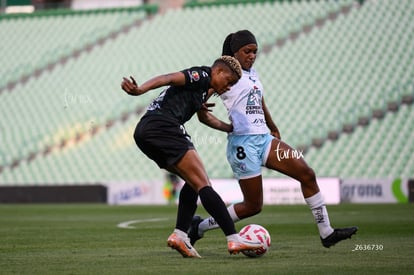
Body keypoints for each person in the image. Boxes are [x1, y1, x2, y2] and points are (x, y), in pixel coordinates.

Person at [189, 30, 358, 248]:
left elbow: (259, 100)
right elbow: (201, 110)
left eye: (255, 51)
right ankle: (199, 227)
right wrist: (224, 125)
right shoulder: (223, 75)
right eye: (247, 51)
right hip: (242, 144)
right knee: (253, 206)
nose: (252, 55)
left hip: (264, 140)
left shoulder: (253, 73)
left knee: (306, 174)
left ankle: (327, 233)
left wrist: (272, 125)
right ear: (235, 53)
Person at [121, 55, 263, 258]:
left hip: (145, 132)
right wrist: (140, 90)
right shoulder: (202, 75)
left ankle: (180, 235)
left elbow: (203, 117)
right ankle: (233, 238)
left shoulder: (202, 90)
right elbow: (169, 78)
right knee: (204, 183)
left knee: (193, 182)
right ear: (219, 72)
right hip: (164, 127)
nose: (228, 87)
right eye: (229, 81)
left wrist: (230, 128)